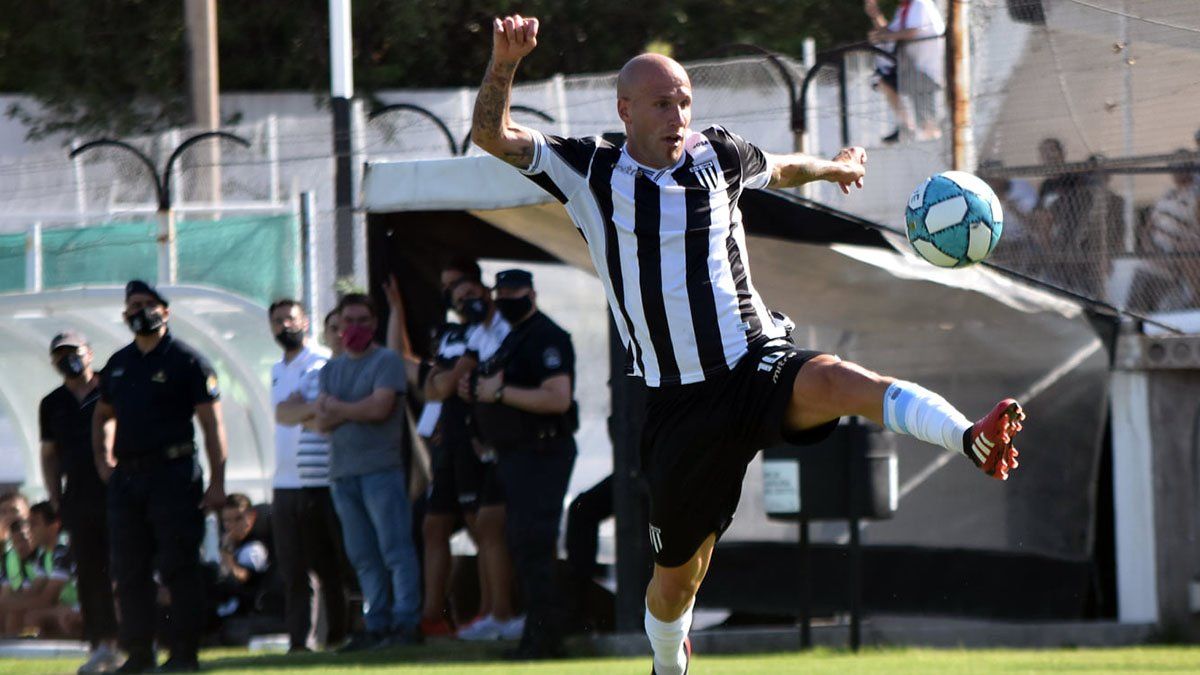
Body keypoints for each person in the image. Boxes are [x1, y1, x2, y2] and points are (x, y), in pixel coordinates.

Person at [471, 16, 1024, 674]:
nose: (677, 114)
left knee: (841, 380)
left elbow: (781, 168)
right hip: (678, 404)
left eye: (683, 101)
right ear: (625, 110)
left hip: (756, 357)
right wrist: (505, 61)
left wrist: (834, 167)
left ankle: (970, 436)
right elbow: (491, 136)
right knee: (677, 580)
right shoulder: (589, 168)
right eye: (660, 103)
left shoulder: (720, 154)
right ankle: (668, 660)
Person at [92, 280, 227, 673]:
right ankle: (139, 653)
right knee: (129, 570)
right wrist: (104, 464)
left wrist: (217, 481)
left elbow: (212, 424)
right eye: (133, 305)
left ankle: (183, 653)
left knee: (178, 564)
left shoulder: (187, 361)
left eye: (149, 304)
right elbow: (102, 415)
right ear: (124, 315)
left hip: (173, 474)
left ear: (165, 312)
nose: (141, 311)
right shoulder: (118, 363)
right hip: (128, 479)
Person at [461, 269, 578, 659]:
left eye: (514, 291)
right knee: (521, 542)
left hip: (542, 453)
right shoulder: (514, 337)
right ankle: (536, 633)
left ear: (531, 292)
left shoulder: (547, 336)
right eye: (502, 291)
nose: (507, 298)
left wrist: (499, 394)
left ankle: (547, 638)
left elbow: (558, 398)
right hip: (514, 455)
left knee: (534, 542)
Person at [315, 294, 421, 650]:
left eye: (363, 320)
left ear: (374, 324)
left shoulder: (386, 361)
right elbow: (322, 420)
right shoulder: (330, 369)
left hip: (381, 471)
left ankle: (406, 622)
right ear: (338, 325)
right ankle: (376, 624)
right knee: (362, 555)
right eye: (349, 321)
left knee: (395, 549)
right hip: (343, 475)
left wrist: (340, 408)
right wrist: (349, 410)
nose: (355, 328)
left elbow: (380, 408)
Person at [423, 261, 520, 641]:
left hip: (491, 441)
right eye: (452, 294)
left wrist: (452, 380)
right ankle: (480, 612)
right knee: (470, 525)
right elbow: (434, 387)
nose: (462, 299)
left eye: (466, 291)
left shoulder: (503, 331)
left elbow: (456, 383)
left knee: (489, 526)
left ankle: (501, 611)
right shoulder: (460, 333)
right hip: (459, 440)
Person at [267, 298, 351, 652]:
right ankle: (298, 640)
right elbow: (282, 414)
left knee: (327, 565)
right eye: (278, 320)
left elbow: (318, 415)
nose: (285, 325)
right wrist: (297, 410)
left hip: (317, 480)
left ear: (306, 322)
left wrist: (294, 410)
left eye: (291, 318)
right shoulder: (275, 368)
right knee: (292, 568)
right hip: (283, 482)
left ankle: (336, 635)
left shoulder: (319, 363)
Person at [39, 331, 121, 673]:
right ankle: (102, 644)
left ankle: (138, 639)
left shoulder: (111, 388)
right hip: (79, 496)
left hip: (117, 490)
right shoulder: (52, 403)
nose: (68, 359)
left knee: (126, 568)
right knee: (90, 573)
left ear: (89, 353)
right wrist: (56, 497)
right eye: (60, 355)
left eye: (73, 352)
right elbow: (49, 455)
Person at [864, 0, 945, 143]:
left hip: (926, 70)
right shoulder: (904, 9)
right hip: (911, 70)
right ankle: (907, 126)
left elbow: (912, 31)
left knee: (926, 117)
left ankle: (936, 144)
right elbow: (890, 32)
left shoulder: (920, 3)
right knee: (884, 80)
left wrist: (884, 36)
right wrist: (875, 14)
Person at [22, 501, 82, 639]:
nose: (28, 530)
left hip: (85, 606)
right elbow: (33, 593)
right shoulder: (44, 555)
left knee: (43, 616)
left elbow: (45, 599)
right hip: (68, 607)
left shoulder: (62, 551)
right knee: (32, 615)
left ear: (55, 525)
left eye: (34, 524)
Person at [212, 494, 272, 619]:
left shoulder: (254, 549)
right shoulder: (228, 546)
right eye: (226, 521)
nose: (231, 525)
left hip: (245, 613)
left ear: (251, 517)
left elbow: (244, 578)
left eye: (238, 519)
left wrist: (227, 554)